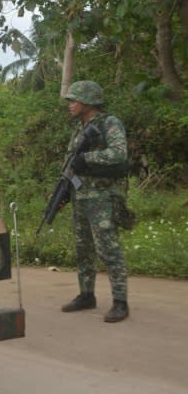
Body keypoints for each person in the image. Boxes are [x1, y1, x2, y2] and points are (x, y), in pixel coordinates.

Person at [60, 80, 130, 322]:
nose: (70, 105)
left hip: (101, 196)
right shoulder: (79, 128)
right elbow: (71, 161)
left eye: (74, 100)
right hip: (81, 195)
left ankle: (120, 302)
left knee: (109, 249)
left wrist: (87, 158)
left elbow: (119, 153)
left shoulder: (109, 123)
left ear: (88, 102)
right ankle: (86, 295)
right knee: (83, 248)